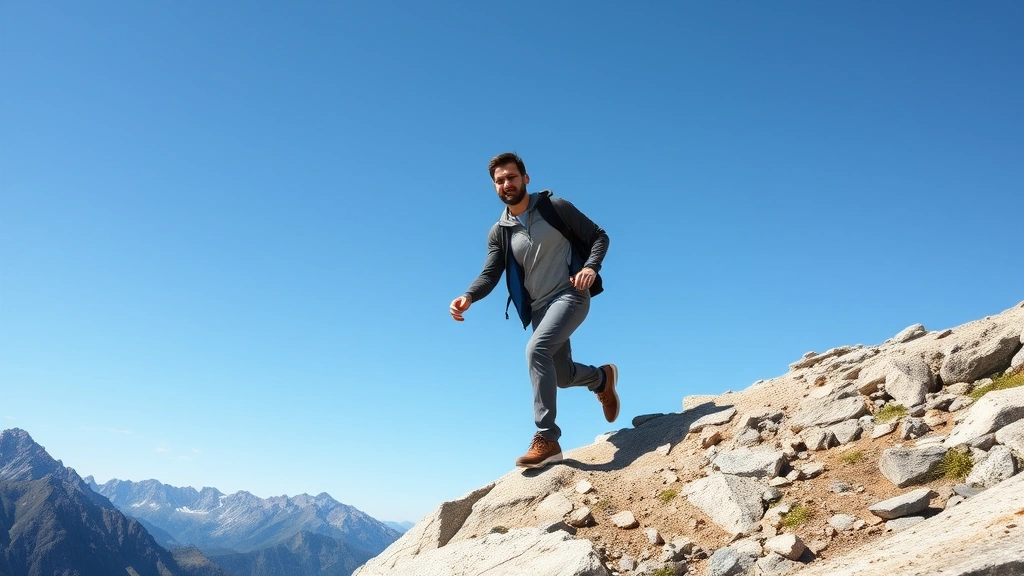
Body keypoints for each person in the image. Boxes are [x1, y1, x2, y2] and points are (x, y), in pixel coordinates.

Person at [449, 152, 619, 469]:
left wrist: (591, 268)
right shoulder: (500, 231)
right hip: (540, 308)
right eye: (499, 181)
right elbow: (490, 274)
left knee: (536, 350)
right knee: (563, 377)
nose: (506, 184)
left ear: (525, 178)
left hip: (572, 293)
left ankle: (547, 437)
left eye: (511, 177)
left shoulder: (555, 208)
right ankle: (601, 379)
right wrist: (469, 296)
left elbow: (599, 236)